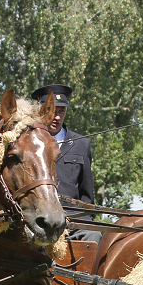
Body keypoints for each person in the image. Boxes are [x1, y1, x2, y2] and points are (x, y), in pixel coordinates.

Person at [30, 84, 99, 242]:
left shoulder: (82, 144)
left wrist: (85, 221)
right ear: (41, 110)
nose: (58, 117)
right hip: (40, 218)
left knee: (94, 237)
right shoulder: (29, 142)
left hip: (72, 222)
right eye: (53, 110)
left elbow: (86, 195)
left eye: (62, 111)